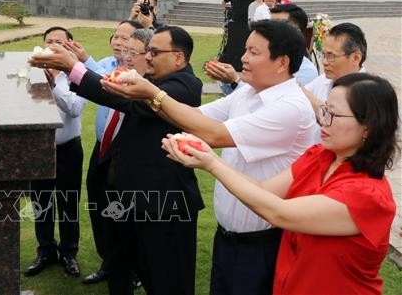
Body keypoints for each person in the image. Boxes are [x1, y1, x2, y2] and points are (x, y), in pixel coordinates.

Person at [102, 20, 316, 295]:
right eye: (245, 50)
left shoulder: (290, 107)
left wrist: (152, 93)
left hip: (263, 242)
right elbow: (195, 116)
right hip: (229, 236)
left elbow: (214, 135)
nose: (242, 58)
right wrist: (145, 96)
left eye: (253, 52)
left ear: (282, 62)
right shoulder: (248, 93)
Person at [161, 73, 398, 295]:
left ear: (367, 127)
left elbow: (278, 213)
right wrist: (206, 155)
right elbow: (264, 190)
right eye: (324, 110)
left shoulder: (367, 195)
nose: (322, 121)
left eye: (333, 115)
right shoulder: (320, 156)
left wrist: (212, 163)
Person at [30, 26, 204, 295]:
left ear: (179, 58)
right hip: (129, 203)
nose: (147, 58)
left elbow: (122, 98)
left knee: (168, 282)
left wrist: (73, 68)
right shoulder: (155, 82)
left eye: (154, 52)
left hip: (164, 208)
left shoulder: (184, 87)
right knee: (119, 268)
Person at [63, 20, 143, 285]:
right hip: (102, 149)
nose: (119, 42)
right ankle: (108, 262)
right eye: (116, 37)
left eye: (126, 38)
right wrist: (81, 58)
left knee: (123, 212)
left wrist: (78, 62)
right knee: (98, 205)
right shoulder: (108, 65)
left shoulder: (142, 76)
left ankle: (131, 270)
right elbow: (91, 75)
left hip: (125, 154)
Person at [24, 27, 86, 278]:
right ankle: (45, 250)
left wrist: (52, 82)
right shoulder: (31, 70)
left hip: (69, 148)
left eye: (58, 42)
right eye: (48, 41)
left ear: (69, 45)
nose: (52, 45)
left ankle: (69, 253)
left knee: (69, 203)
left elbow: (74, 108)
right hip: (39, 148)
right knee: (41, 203)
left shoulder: (78, 74)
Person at [207, 3, 318, 95]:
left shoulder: (306, 71)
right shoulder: (267, 62)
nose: (244, 59)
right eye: (270, 25)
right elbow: (242, 98)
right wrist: (227, 79)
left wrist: (235, 81)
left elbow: (263, 102)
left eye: (278, 26)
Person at [302, 22, 367, 142]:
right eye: (324, 55)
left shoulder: (369, 94)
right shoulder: (324, 79)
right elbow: (300, 94)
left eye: (331, 56)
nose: (325, 62)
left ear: (356, 58)